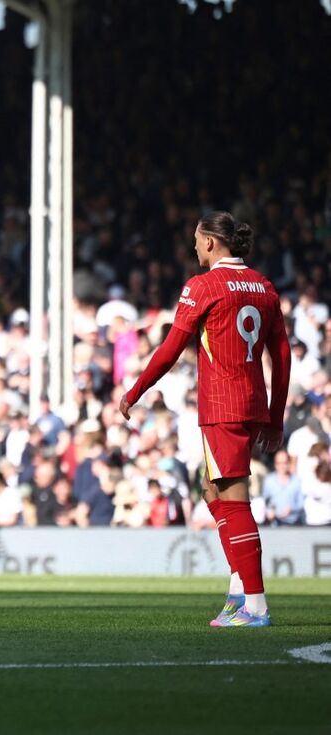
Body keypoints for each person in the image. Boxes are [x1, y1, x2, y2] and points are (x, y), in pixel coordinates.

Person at [120, 212, 290, 627]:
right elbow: (282, 356)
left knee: (233, 500)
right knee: (210, 489)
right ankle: (238, 589)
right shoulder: (263, 286)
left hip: (223, 407)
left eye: (197, 240)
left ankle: (256, 604)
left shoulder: (203, 286)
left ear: (211, 242)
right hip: (252, 404)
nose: (194, 247)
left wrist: (135, 391)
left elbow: (170, 349)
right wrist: (276, 415)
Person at [261, 449, 305, 526]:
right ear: (275, 464)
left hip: (293, 524)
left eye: (285, 463)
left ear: (289, 463)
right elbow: (264, 501)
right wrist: (269, 512)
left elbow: (301, 503)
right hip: (274, 525)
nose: (282, 466)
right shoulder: (269, 481)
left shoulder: (296, 481)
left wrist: (292, 508)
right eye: (279, 463)